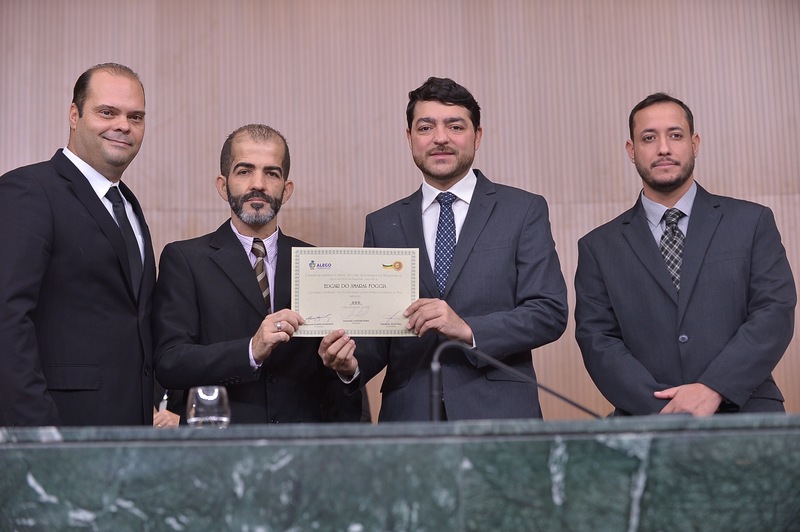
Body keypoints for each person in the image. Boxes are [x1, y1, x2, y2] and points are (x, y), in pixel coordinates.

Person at [319, 77, 569, 421]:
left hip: (500, 414)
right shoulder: (383, 223)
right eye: (425, 127)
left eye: (455, 126)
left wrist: (467, 328)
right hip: (410, 419)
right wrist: (350, 364)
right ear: (409, 138)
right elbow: (379, 334)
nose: (440, 138)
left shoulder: (522, 210)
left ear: (477, 136)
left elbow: (548, 312)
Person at [575, 92, 796, 417]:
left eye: (675, 135)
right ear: (631, 150)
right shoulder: (598, 247)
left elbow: (773, 312)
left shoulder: (751, 222)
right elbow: (599, 340)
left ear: (694, 143)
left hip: (747, 414)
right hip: (648, 421)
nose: (663, 148)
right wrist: (666, 409)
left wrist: (714, 388)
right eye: (649, 138)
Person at [153, 124, 363, 424]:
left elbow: (333, 381)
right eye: (244, 171)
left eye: (272, 173)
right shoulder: (185, 260)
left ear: (286, 190)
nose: (259, 184)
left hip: (302, 445)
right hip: (221, 442)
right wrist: (250, 350)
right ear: (223, 186)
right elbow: (170, 362)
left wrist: (346, 371)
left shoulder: (319, 264)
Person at [0, 63, 156, 426]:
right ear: (74, 115)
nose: (123, 125)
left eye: (135, 117)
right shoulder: (28, 191)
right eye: (107, 112)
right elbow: (7, 319)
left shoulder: (128, 205)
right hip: (60, 431)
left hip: (131, 432)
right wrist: (40, 434)